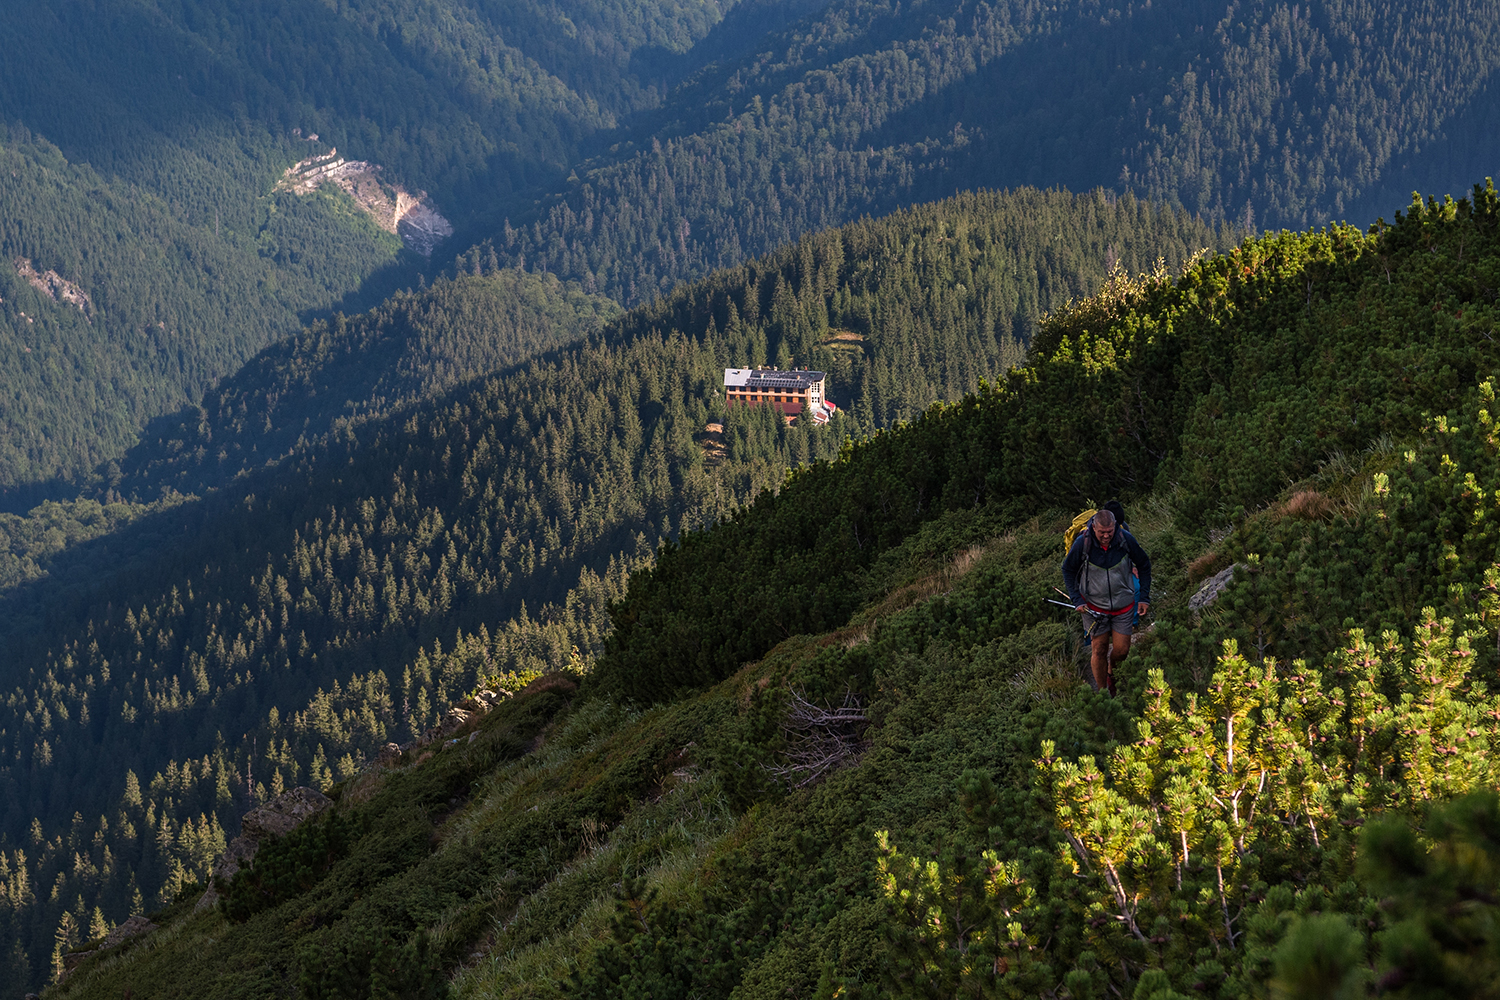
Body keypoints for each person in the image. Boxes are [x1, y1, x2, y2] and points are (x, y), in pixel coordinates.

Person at [1060, 508, 1151, 695]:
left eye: (1110, 531)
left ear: (1115, 527)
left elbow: (1144, 564)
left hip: (1123, 605)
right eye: (1102, 532)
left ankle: (1111, 672)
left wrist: (1144, 598)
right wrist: (1077, 599)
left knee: (1122, 650)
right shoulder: (1082, 544)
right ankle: (1104, 693)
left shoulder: (1125, 539)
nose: (1106, 536)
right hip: (1093, 607)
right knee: (1099, 649)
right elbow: (1067, 570)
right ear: (1094, 527)